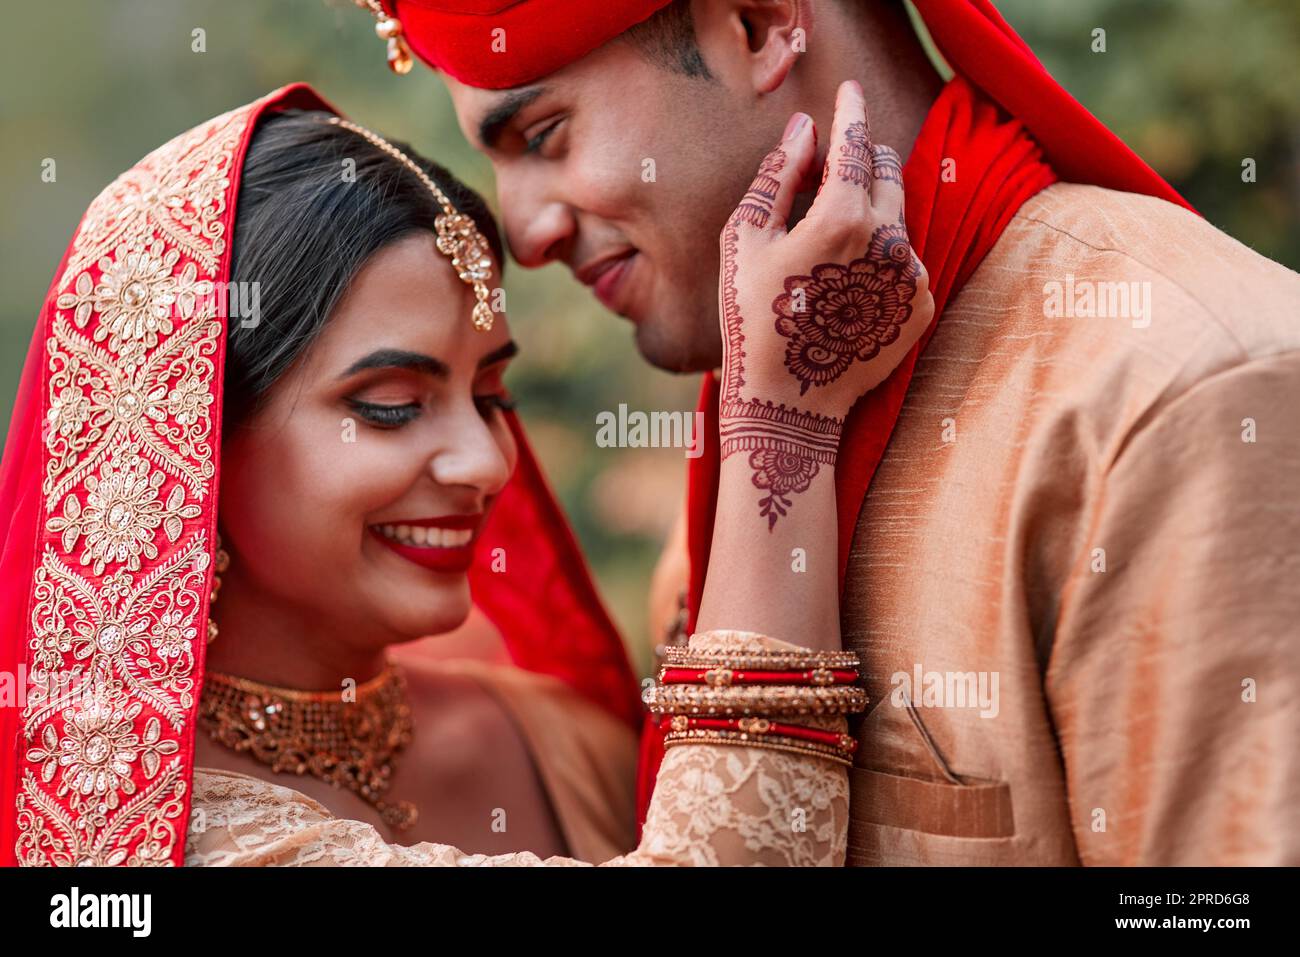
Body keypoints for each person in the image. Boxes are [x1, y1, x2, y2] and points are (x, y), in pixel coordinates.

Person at [353, 0, 1300, 864]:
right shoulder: (760, 422)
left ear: (760, 27)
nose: (523, 233)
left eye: (544, 134)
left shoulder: (1184, 392)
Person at [0, 77, 930, 865]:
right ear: (195, 434)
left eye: (494, 396)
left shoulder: (550, 735)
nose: (486, 462)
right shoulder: (137, 834)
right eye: (391, 405)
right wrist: (780, 428)